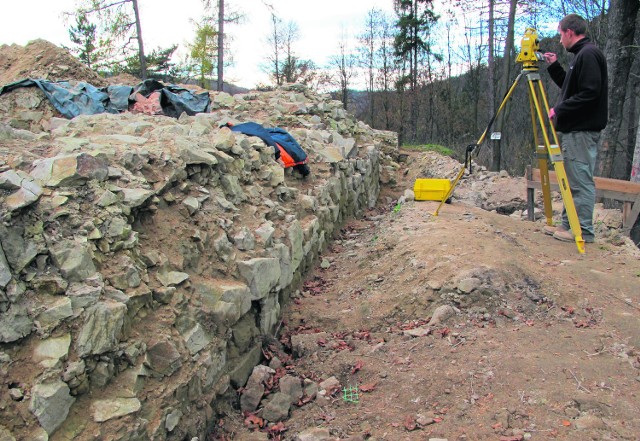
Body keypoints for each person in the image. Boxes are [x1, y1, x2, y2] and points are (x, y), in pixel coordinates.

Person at [542, 14, 608, 244]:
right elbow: (571, 88)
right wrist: (554, 67)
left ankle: (583, 231)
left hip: (582, 130)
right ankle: (568, 225)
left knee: (580, 181)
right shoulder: (581, 55)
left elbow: (590, 93)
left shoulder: (588, 54)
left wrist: (560, 109)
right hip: (575, 130)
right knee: (571, 181)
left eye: (561, 34)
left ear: (570, 32)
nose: (560, 40)